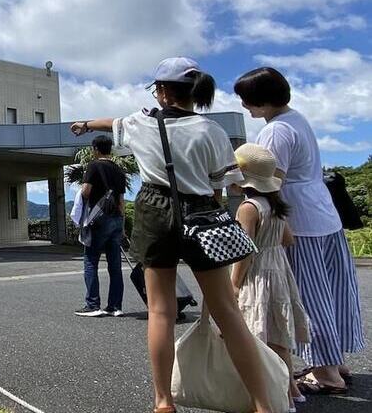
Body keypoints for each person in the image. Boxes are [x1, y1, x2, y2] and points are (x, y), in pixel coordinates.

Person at [71, 57, 274, 413]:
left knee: (161, 312)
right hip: (201, 211)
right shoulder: (211, 131)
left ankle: (163, 402)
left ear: (162, 91)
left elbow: (111, 121)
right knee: (227, 312)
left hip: (153, 209)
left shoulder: (140, 123)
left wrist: (85, 124)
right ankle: (262, 404)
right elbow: (220, 187)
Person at [234, 67, 365, 395]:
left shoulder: (275, 132)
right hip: (324, 215)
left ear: (263, 101)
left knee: (309, 297)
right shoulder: (298, 119)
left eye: (248, 101)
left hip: (300, 220)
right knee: (333, 293)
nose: (245, 107)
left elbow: (270, 181)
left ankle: (326, 375)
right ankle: (336, 363)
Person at [230, 143, 310, 412]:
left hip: (257, 275)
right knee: (279, 336)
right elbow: (288, 239)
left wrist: (234, 284)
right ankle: (292, 391)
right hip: (280, 271)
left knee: (257, 336)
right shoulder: (275, 206)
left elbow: (246, 252)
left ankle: (273, 397)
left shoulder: (248, 208)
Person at [74, 136, 127, 318]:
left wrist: (81, 193)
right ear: (110, 149)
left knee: (90, 260)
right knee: (115, 265)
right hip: (116, 219)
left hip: (99, 218)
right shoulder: (119, 170)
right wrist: (122, 226)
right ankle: (115, 306)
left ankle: (93, 305)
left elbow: (87, 191)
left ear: (95, 149)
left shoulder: (94, 166)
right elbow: (121, 201)